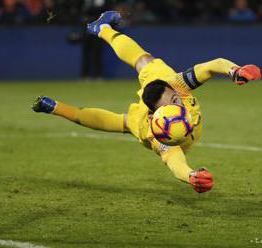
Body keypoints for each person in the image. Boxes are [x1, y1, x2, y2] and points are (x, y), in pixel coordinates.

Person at [32, 11, 261, 193]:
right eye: (171, 103)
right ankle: (55, 108)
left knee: (143, 60)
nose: (176, 103)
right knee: (117, 123)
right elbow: (175, 162)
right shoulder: (156, 132)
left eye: (174, 100)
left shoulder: (175, 86)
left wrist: (235, 70)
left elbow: (211, 65)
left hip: (157, 82)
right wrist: (191, 176)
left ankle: (101, 28)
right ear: (156, 113)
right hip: (144, 121)